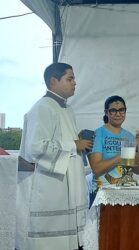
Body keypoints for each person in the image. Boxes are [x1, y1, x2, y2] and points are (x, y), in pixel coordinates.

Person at [19, 62, 92, 250]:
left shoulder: (67, 109)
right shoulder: (43, 108)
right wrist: (73, 144)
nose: (75, 83)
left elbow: (63, 141)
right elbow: (35, 147)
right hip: (51, 186)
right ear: (53, 81)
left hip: (69, 184)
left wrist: (77, 140)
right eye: (70, 78)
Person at [89, 95, 139, 203]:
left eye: (121, 110)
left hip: (126, 192)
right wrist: (121, 157)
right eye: (113, 110)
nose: (118, 114)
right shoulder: (98, 134)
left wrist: (135, 148)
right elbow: (96, 169)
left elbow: (137, 170)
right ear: (106, 112)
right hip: (103, 192)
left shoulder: (128, 136)